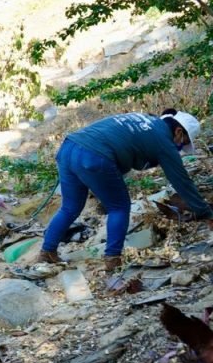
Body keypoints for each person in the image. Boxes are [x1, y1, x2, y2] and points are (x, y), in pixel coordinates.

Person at [40, 110, 212, 272]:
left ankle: (47, 252)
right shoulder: (164, 141)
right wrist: (204, 211)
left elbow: (122, 146)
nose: (180, 148)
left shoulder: (147, 121)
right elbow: (181, 181)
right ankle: (113, 259)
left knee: (69, 208)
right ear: (179, 132)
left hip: (69, 147)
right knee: (119, 207)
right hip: (94, 154)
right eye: (183, 144)